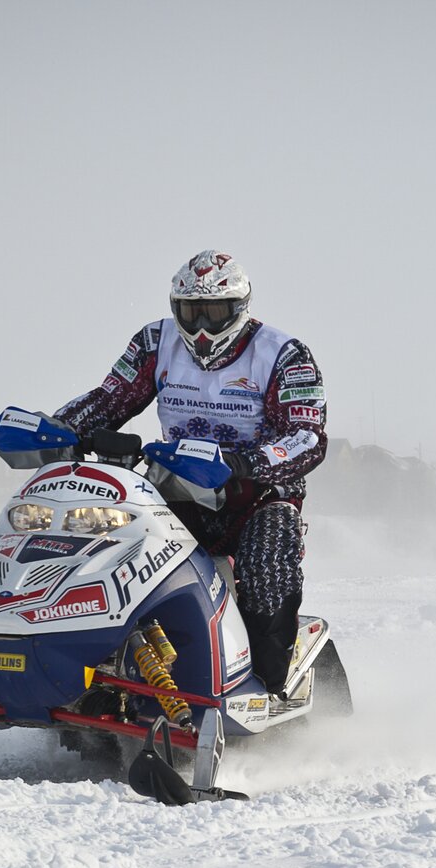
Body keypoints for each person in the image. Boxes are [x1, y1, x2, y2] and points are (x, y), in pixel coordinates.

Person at [53, 249, 327, 695]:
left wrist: (246, 463)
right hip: (175, 486)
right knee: (108, 551)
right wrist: (61, 428)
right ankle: (98, 673)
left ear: (240, 308)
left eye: (214, 311)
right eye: (190, 311)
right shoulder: (154, 342)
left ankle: (265, 684)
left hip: (257, 494)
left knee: (263, 571)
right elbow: (111, 398)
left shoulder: (283, 354)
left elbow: (307, 434)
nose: (201, 326)